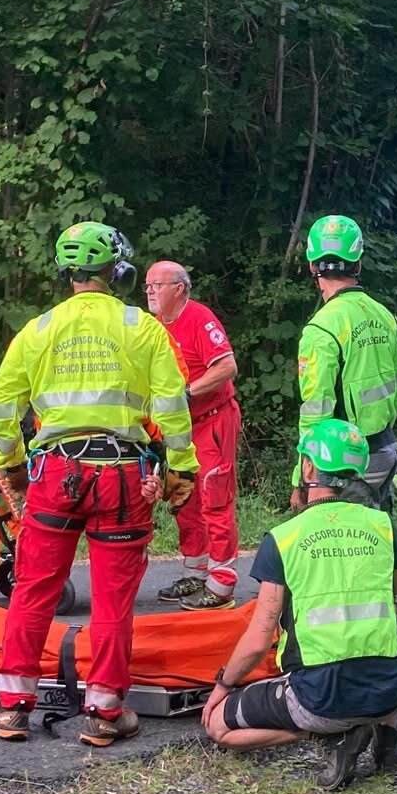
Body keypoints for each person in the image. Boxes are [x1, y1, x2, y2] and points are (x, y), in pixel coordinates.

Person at [0, 222, 198, 748]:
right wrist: (181, 469)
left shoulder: (37, 330)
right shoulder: (142, 328)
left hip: (56, 473)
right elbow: (172, 406)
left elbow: (2, 405)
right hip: (122, 476)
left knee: (34, 589)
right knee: (112, 600)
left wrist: (11, 463)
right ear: (117, 272)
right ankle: (105, 712)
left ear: (67, 272)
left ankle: (12, 707)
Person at [202, 417, 397, 791]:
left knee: (220, 725)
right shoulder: (381, 524)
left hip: (320, 698)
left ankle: (327, 733)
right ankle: (384, 735)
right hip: (389, 693)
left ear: (309, 466)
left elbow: (258, 637)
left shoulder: (284, 537)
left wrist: (222, 686)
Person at [145, 260, 241, 610]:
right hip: (179, 427)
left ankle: (222, 583)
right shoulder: (154, 327)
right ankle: (196, 571)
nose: (150, 291)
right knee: (182, 497)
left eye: (157, 284)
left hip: (213, 419)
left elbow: (227, 367)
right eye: (147, 285)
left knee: (214, 495)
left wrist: (187, 393)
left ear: (179, 288)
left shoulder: (199, 317)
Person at [295, 214, 397, 509]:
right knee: (378, 540)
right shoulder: (384, 315)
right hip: (385, 447)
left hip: (344, 459)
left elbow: (316, 408)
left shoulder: (322, 328)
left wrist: (301, 476)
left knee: (342, 545)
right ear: (357, 263)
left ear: (312, 265)